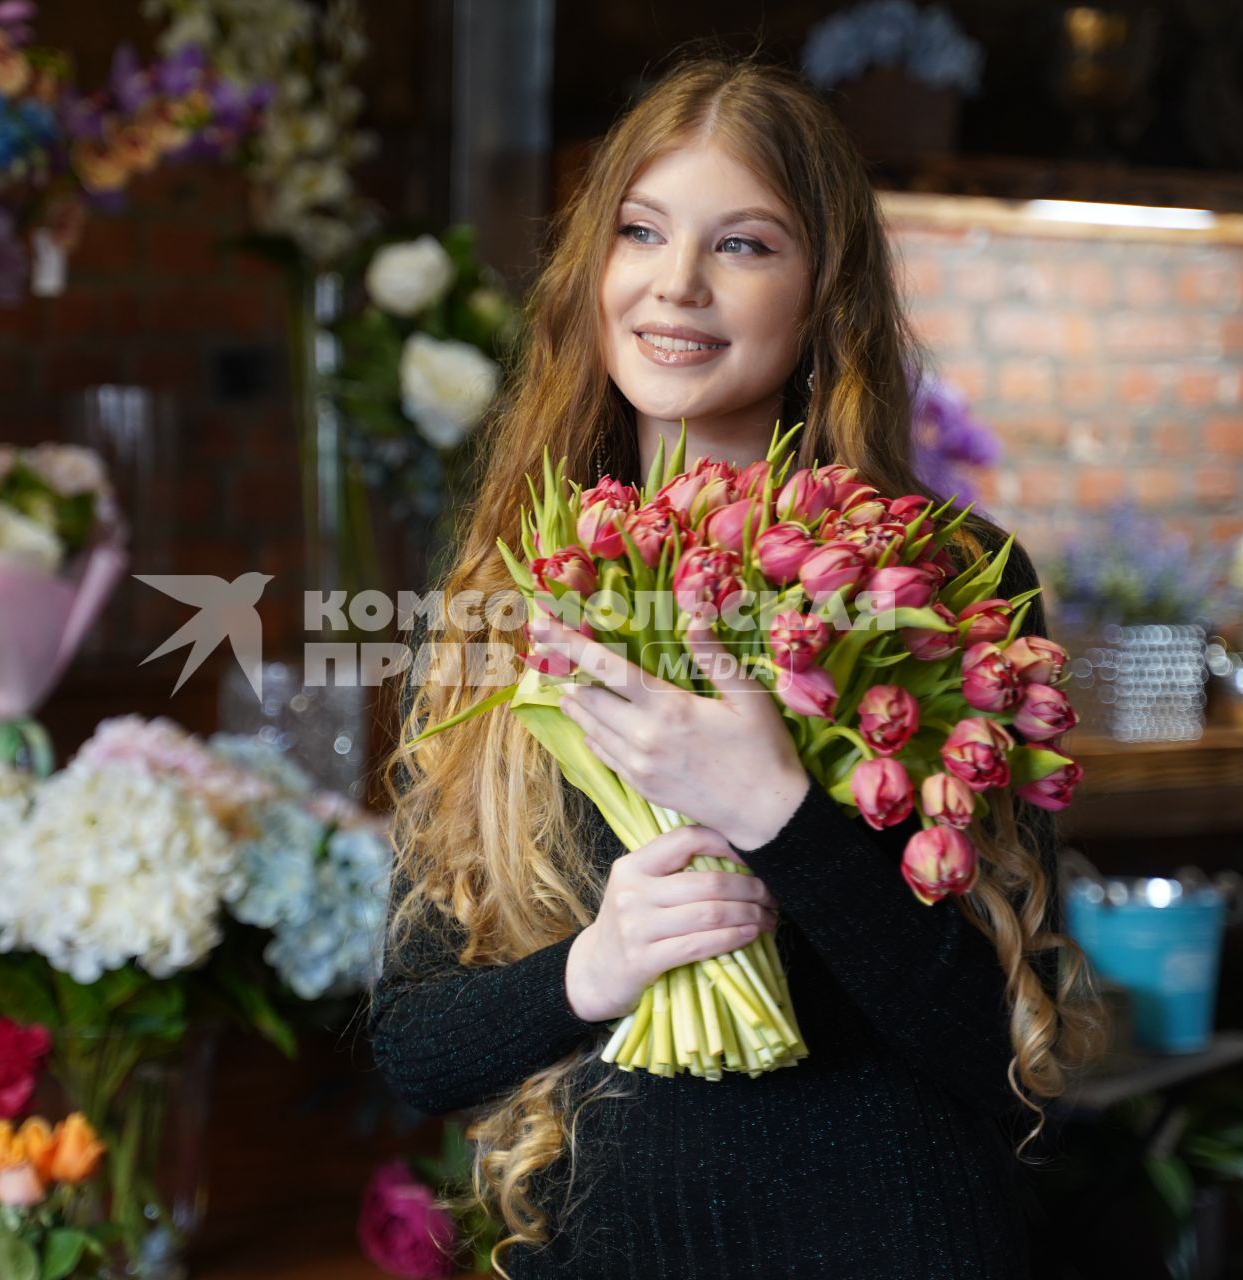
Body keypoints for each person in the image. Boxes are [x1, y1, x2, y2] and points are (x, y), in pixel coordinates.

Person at [371, 56, 1105, 1280]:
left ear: (826, 294)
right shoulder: (507, 590)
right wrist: (599, 962)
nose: (677, 284)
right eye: (640, 231)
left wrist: (778, 810)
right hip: (611, 1243)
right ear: (590, 270)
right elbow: (416, 1045)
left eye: (746, 244)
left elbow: (997, 1049)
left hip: (895, 1241)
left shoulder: (942, 573)